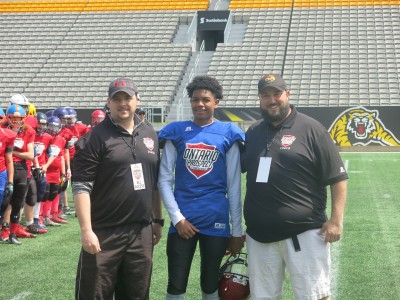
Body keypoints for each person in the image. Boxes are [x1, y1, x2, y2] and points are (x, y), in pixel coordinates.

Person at [241, 74, 348, 300]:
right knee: (263, 297)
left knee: (314, 296)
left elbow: (337, 177)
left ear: (287, 94)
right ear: (259, 99)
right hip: (259, 236)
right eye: (265, 95)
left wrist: (336, 220)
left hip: (305, 232)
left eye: (277, 94)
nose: (272, 100)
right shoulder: (254, 132)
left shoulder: (312, 129)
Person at [72, 77, 162, 299]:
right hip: (104, 233)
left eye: (127, 98)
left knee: (136, 295)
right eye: (117, 99)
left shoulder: (150, 134)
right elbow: (81, 187)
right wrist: (86, 230)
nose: (123, 103)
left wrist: (157, 220)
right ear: (108, 103)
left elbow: (154, 182)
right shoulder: (93, 138)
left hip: (141, 231)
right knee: (94, 295)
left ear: (137, 100)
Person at [157, 75, 245, 300]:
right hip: (183, 221)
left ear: (216, 102)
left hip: (215, 219)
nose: (200, 104)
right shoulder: (176, 131)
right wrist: (177, 219)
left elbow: (234, 187)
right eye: (195, 100)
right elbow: (165, 180)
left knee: (210, 284)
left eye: (206, 99)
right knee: (176, 284)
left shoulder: (228, 133)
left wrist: (236, 231)